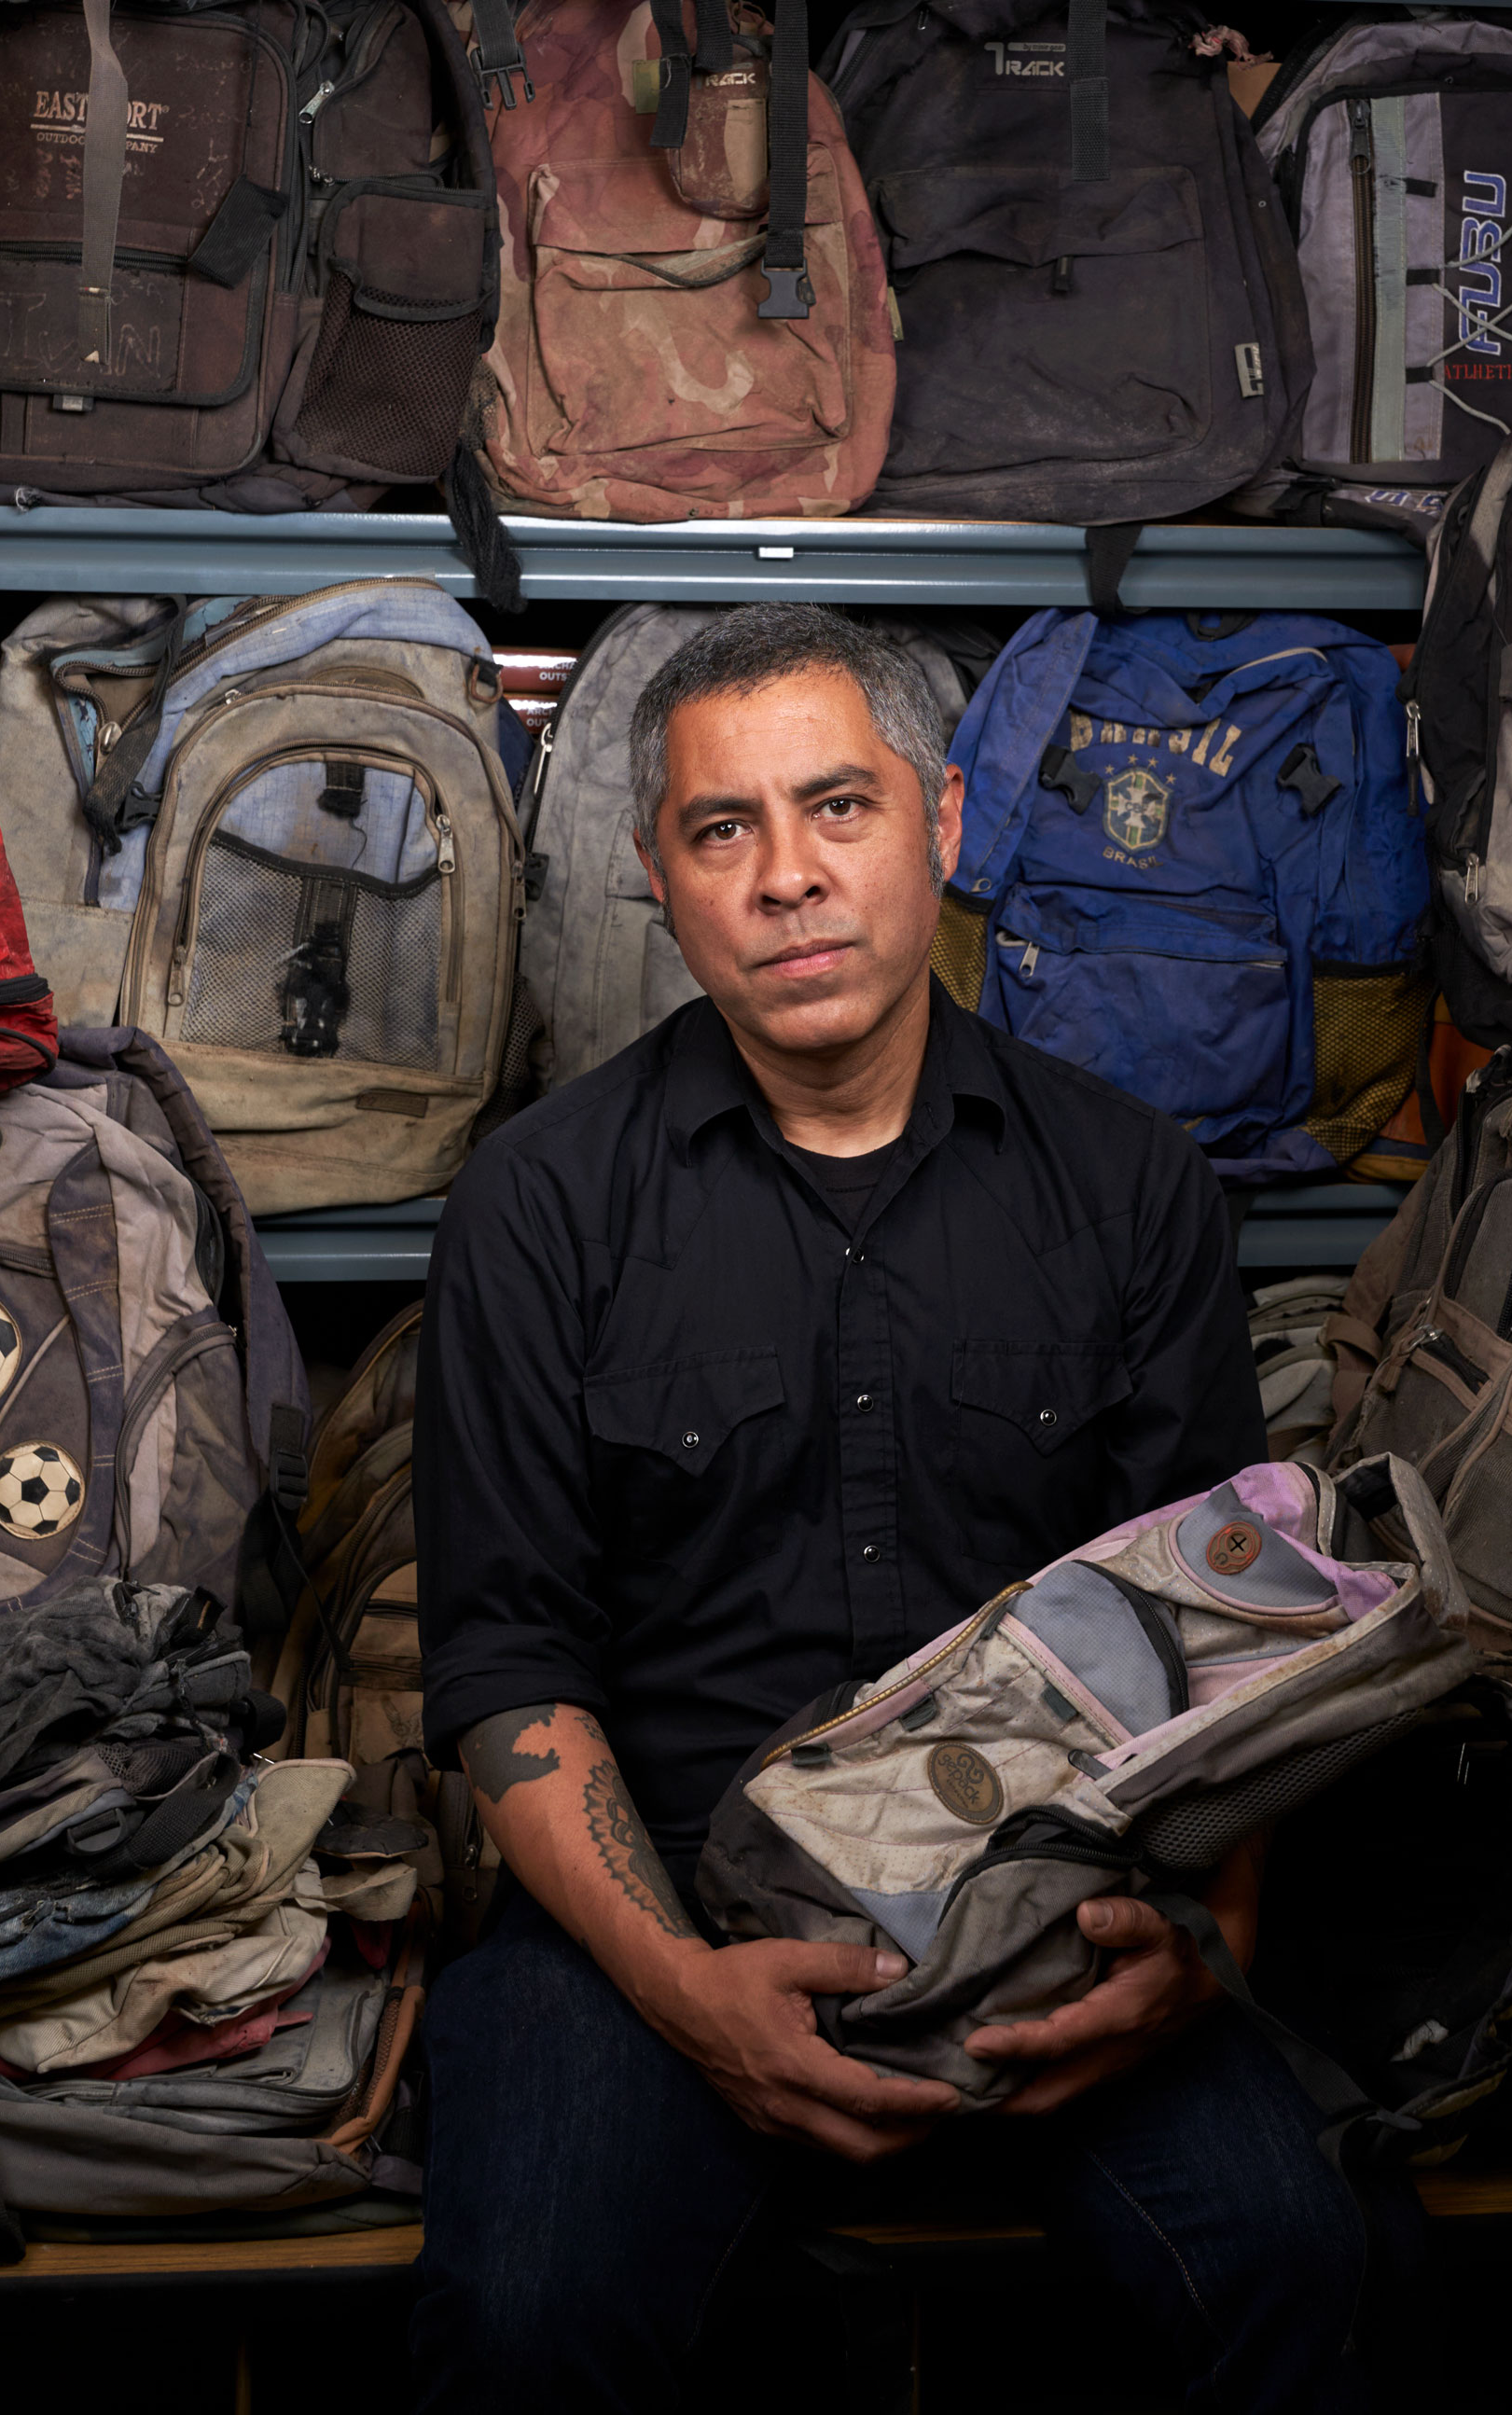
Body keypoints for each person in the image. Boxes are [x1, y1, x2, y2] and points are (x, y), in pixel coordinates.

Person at [411, 604, 1376, 2412]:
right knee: (529, 2308)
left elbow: (1230, 1639)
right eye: (723, 829)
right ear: (657, 878)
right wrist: (687, 1990)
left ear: (944, 825)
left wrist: (1207, 1949)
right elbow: (504, 1669)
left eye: (837, 806)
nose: (786, 876)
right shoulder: (537, 1208)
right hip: (661, 1927)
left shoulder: (1132, 1187)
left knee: (1291, 2252)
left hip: (1059, 1917)